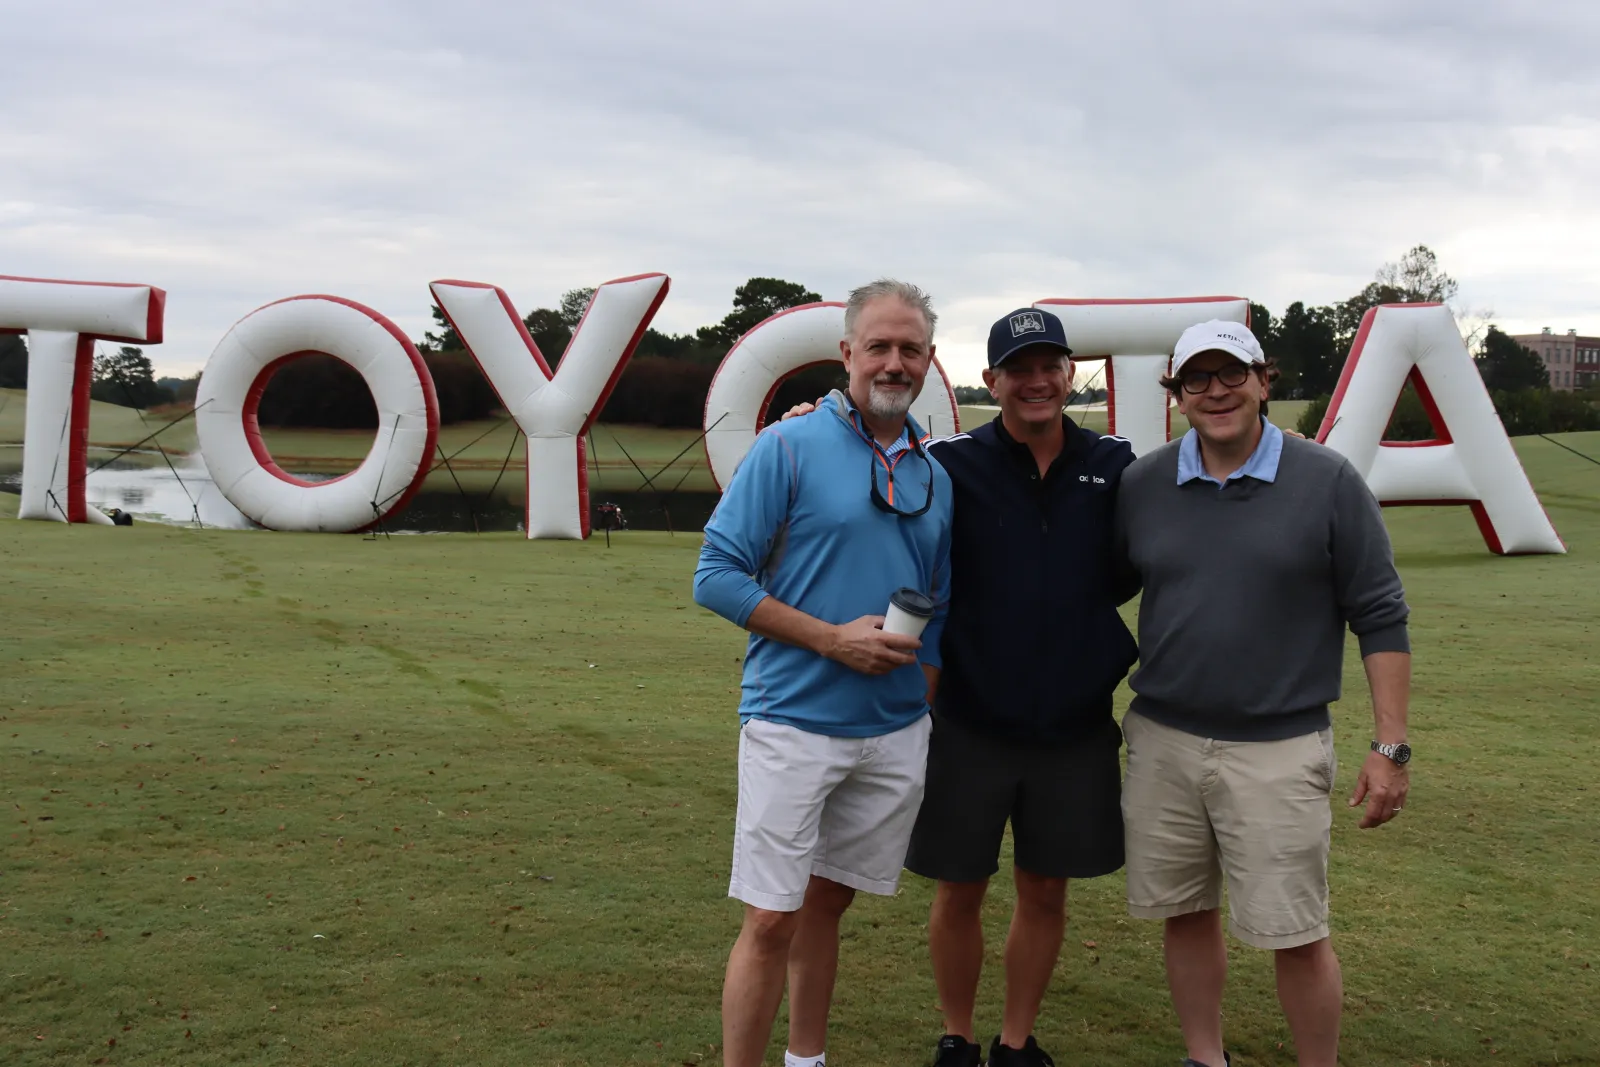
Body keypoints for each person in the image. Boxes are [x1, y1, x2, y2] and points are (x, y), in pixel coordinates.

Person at [1113, 319, 1413, 1067]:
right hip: (1163, 740)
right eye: (1196, 379)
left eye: (1231, 373)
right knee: (1184, 914)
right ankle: (1203, 1056)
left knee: (1296, 931)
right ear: (1177, 395)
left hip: (1280, 747)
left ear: (1263, 380)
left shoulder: (1328, 480)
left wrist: (1390, 745)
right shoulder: (1144, 483)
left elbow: (1379, 614)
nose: (1215, 392)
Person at [693, 279, 954, 1067]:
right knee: (772, 917)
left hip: (893, 735)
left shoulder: (936, 475)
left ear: (931, 361)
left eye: (910, 348)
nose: (894, 361)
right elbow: (716, 573)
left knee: (826, 907)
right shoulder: (787, 446)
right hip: (793, 723)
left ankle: (807, 1060)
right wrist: (832, 642)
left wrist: (922, 702)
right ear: (847, 353)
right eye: (878, 345)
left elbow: (937, 605)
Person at [908, 308, 1136, 1067]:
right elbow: (871, 469)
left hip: (1074, 725)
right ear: (991, 379)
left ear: (1071, 374)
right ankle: (957, 1035)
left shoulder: (1117, 464)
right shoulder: (949, 463)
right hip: (969, 719)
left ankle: (1014, 1040)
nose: (1037, 380)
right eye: (1019, 367)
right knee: (959, 889)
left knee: (1045, 890)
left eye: (1051, 365)